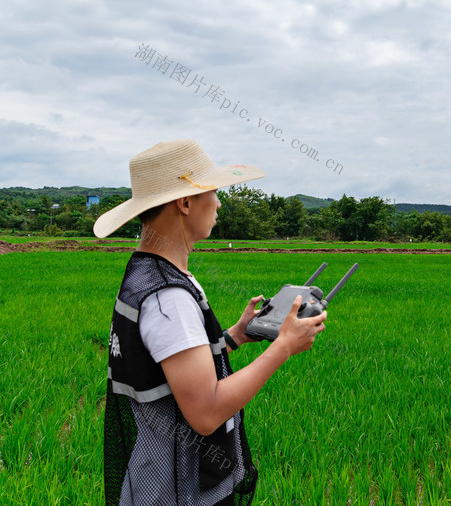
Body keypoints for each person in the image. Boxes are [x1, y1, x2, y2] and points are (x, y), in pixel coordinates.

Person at [96, 139, 326, 505]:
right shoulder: (167, 297)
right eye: (213, 193)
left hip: (158, 473)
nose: (218, 203)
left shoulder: (153, 273)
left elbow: (171, 366)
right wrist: (282, 348)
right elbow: (205, 412)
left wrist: (235, 336)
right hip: (179, 489)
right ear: (185, 203)